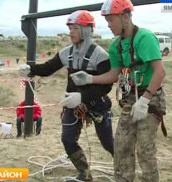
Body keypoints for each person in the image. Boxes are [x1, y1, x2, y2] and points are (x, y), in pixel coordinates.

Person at [70, 0, 166, 181]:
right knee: (121, 147)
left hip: (151, 97)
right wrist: (91, 78)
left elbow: (160, 72)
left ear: (126, 17)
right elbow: (114, 75)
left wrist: (145, 100)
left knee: (145, 150)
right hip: (130, 99)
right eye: (107, 21)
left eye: (111, 20)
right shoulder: (116, 46)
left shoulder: (144, 38)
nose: (109, 25)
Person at [19, 10, 114, 182]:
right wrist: (31, 70)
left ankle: (124, 170)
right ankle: (84, 174)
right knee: (68, 139)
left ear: (86, 30)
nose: (71, 32)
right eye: (70, 28)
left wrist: (82, 98)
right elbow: (48, 68)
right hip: (73, 104)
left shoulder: (101, 55)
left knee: (108, 143)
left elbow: (106, 86)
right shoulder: (66, 53)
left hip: (97, 104)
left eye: (75, 28)